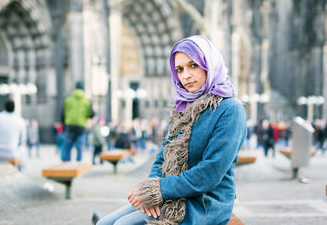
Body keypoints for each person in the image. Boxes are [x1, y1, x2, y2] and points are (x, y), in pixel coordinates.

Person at [97, 35, 246, 225]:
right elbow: (163, 156)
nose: (186, 75)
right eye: (179, 69)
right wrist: (151, 190)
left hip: (205, 203)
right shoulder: (183, 109)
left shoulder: (230, 109)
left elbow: (210, 173)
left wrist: (160, 190)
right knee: (104, 223)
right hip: (172, 194)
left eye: (193, 65)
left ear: (208, 63)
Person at [61, 80, 93, 161]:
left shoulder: (68, 99)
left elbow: (63, 114)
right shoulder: (87, 101)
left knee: (67, 146)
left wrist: (64, 125)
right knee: (80, 147)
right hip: (81, 126)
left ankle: (66, 163)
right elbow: (91, 114)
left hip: (70, 126)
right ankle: (78, 163)